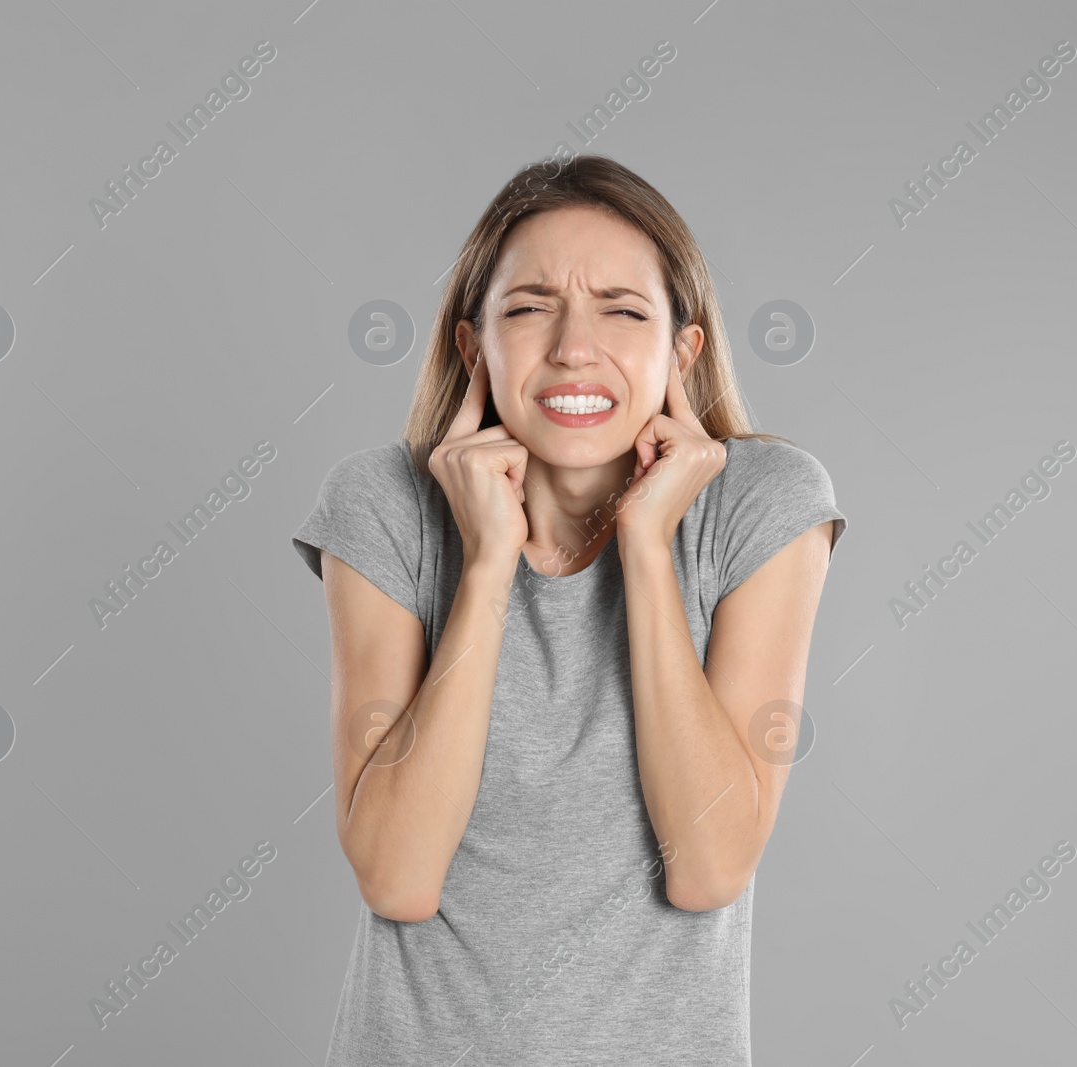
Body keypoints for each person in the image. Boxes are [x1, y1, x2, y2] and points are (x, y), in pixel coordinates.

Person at [290, 154, 846, 1066]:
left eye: (623, 310)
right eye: (529, 307)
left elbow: (709, 867)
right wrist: (485, 569)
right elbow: (397, 875)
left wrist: (646, 544)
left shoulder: (766, 503)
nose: (573, 348)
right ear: (475, 349)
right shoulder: (383, 503)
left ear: (682, 351)